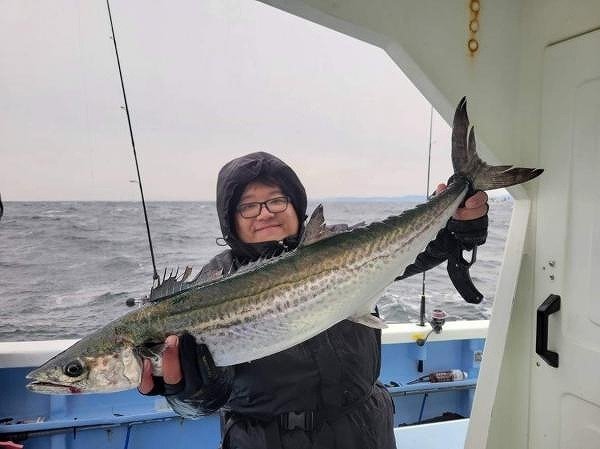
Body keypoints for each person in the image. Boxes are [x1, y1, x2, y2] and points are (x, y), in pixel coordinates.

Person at [138, 151, 488, 449]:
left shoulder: (341, 247)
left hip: (364, 431)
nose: (265, 213)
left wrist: (461, 224)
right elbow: (203, 402)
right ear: (230, 219)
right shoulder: (212, 285)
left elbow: (421, 249)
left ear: (295, 204)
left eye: (276, 200)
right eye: (248, 206)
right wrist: (189, 394)